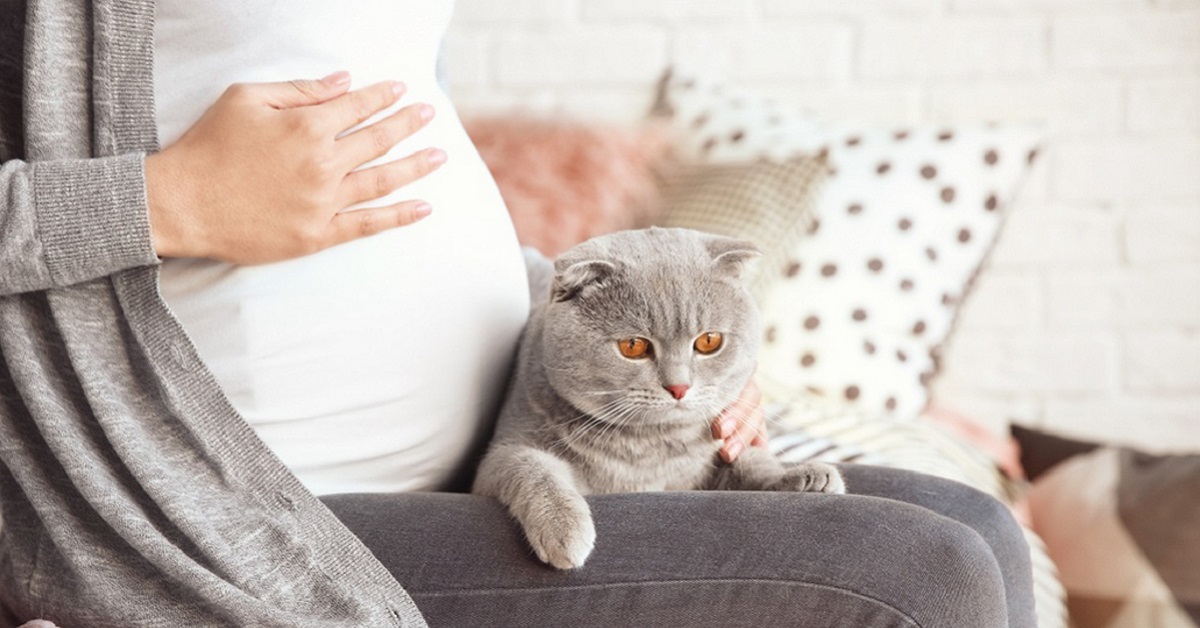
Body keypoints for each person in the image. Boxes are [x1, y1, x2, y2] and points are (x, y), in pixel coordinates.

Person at [0, 1, 1036, 626]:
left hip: (500, 444)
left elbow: (404, 173)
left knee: (978, 522)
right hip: (229, 516)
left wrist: (658, 343)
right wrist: (168, 201)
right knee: (918, 578)